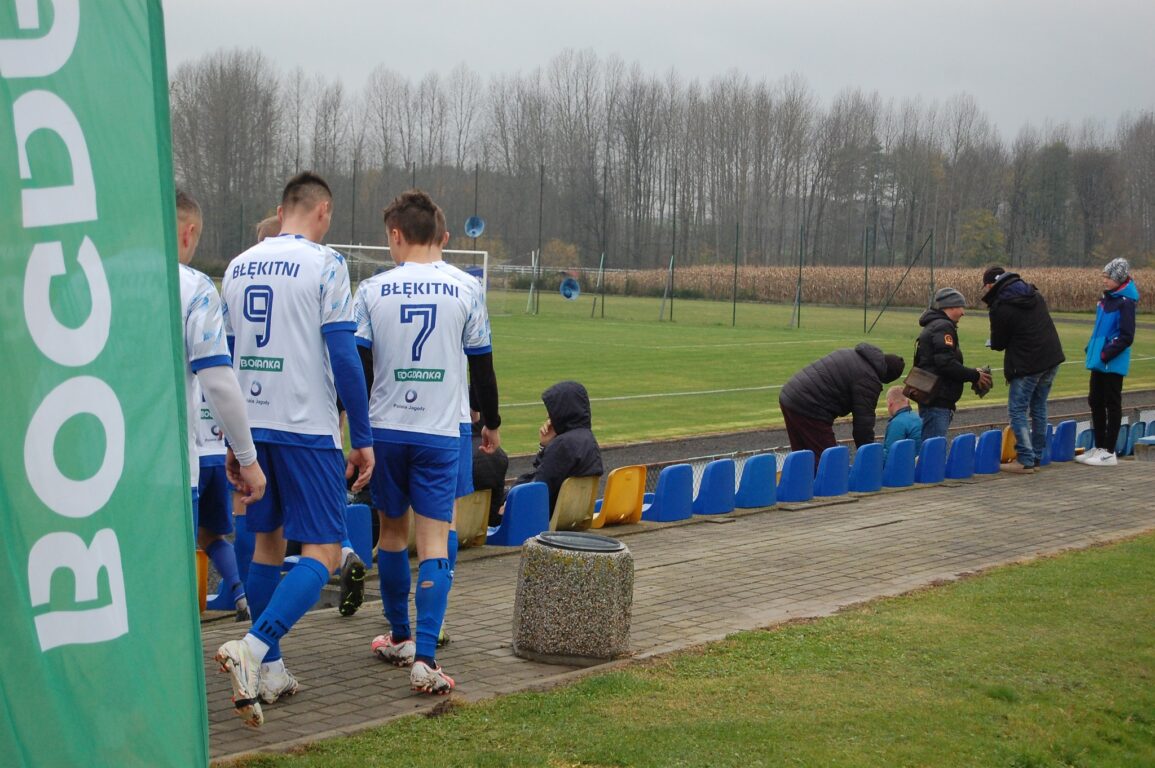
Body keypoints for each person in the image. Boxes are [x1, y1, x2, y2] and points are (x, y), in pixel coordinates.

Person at [214, 172, 374, 728]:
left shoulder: (237, 265)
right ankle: (254, 650)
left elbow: (225, 357)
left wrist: (233, 439)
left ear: (281, 211)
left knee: (265, 545)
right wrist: (364, 437)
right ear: (322, 210)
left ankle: (273, 670)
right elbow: (345, 356)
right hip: (307, 426)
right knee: (325, 552)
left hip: (252, 425)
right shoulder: (326, 264)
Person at [355, 189, 501, 695]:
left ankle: (399, 636)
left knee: (391, 534)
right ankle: (426, 658)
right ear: (437, 233)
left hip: (386, 428)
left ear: (396, 234)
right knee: (435, 540)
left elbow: (361, 367)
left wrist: (357, 429)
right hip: (442, 430)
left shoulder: (372, 290)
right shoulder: (466, 288)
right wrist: (493, 422)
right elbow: (481, 365)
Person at [175, 190, 266, 623]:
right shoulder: (194, 288)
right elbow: (217, 379)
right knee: (207, 538)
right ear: (189, 232)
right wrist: (247, 456)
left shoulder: (102, 281)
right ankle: (242, 595)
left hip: (109, 466)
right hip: (182, 458)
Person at [981, 266, 1065, 473]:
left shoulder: (1000, 305)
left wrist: (994, 341)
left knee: (1017, 409)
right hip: (1051, 357)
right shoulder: (1033, 293)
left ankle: (1026, 459)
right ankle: (1037, 456)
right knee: (1039, 407)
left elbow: (999, 342)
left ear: (991, 285)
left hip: (1027, 364)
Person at [778, 343, 906, 456]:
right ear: (887, 376)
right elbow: (863, 426)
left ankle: (803, 482)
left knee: (802, 454)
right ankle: (826, 483)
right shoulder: (869, 379)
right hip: (810, 406)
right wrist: (869, 455)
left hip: (790, 395)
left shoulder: (854, 354)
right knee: (829, 459)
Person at [1076, 258, 1140, 467]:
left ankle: (1109, 451)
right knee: (1095, 400)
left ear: (1118, 278)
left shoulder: (1125, 303)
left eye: (1108, 276)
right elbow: (1099, 331)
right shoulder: (1106, 300)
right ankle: (1100, 445)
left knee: (1112, 403)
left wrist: (1105, 354)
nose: (1104, 280)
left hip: (1112, 362)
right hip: (1099, 360)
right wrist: (1091, 349)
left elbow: (1126, 335)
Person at [507, 381, 602, 513]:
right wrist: (545, 445)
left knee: (497, 508)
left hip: (549, 515)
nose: (548, 416)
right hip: (575, 514)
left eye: (552, 410)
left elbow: (540, 486)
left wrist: (508, 505)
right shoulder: (588, 438)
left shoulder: (563, 444)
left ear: (563, 410)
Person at [913, 288, 993, 441]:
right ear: (951, 306)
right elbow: (946, 364)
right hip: (938, 399)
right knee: (933, 448)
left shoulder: (935, 325)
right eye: (961, 307)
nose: (963, 312)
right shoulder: (943, 327)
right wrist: (974, 375)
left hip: (933, 396)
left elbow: (942, 361)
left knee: (931, 445)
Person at [882, 386, 922, 462]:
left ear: (890, 403)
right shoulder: (918, 417)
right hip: (921, 465)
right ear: (907, 401)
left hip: (907, 468)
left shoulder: (897, 423)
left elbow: (889, 456)